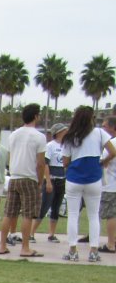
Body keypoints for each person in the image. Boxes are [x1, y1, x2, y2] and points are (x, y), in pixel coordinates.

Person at [61, 106, 115, 263]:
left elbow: (65, 162)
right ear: (91, 119)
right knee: (93, 216)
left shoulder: (70, 136)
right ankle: (93, 251)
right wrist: (102, 162)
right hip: (94, 178)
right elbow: (113, 151)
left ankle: (72, 251)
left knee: (73, 215)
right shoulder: (99, 133)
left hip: (74, 178)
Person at [0, 104, 46, 257]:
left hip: (14, 177)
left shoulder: (14, 135)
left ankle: (2, 245)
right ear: (36, 116)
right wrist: (40, 180)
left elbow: (11, 156)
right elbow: (41, 163)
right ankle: (25, 248)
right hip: (29, 177)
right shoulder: (39, 136)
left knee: (9, 213)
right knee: (28, 214)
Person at [33, 122, 67, 243]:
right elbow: (46, 164)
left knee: (56, 208)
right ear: (58, 132)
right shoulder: (50, 146)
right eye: (64, 130)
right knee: (44, 206)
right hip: (51, 179)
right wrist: (47, 181)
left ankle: (51, 234)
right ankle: (31, 233)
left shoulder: (66, 146)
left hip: (61, 179)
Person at [97, 115, 116, 254]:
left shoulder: (111, 144)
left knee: (111, 215)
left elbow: (103, 162)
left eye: (105, 126)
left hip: (111, 184)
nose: (103, 129)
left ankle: (110, 243)